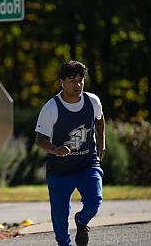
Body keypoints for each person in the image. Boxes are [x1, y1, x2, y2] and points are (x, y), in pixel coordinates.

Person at [35, 60, 106, 246]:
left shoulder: (92, 101)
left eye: (81, 79)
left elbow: (100, 120)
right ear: (62, 82)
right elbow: (40, 140)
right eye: (72, 80)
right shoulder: (51, 108)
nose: (78, 84)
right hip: (60, 171)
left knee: (94, 203)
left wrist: (101, 143)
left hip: (87, 163)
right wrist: (55, 150)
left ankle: (82, 222)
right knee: (59, 217)